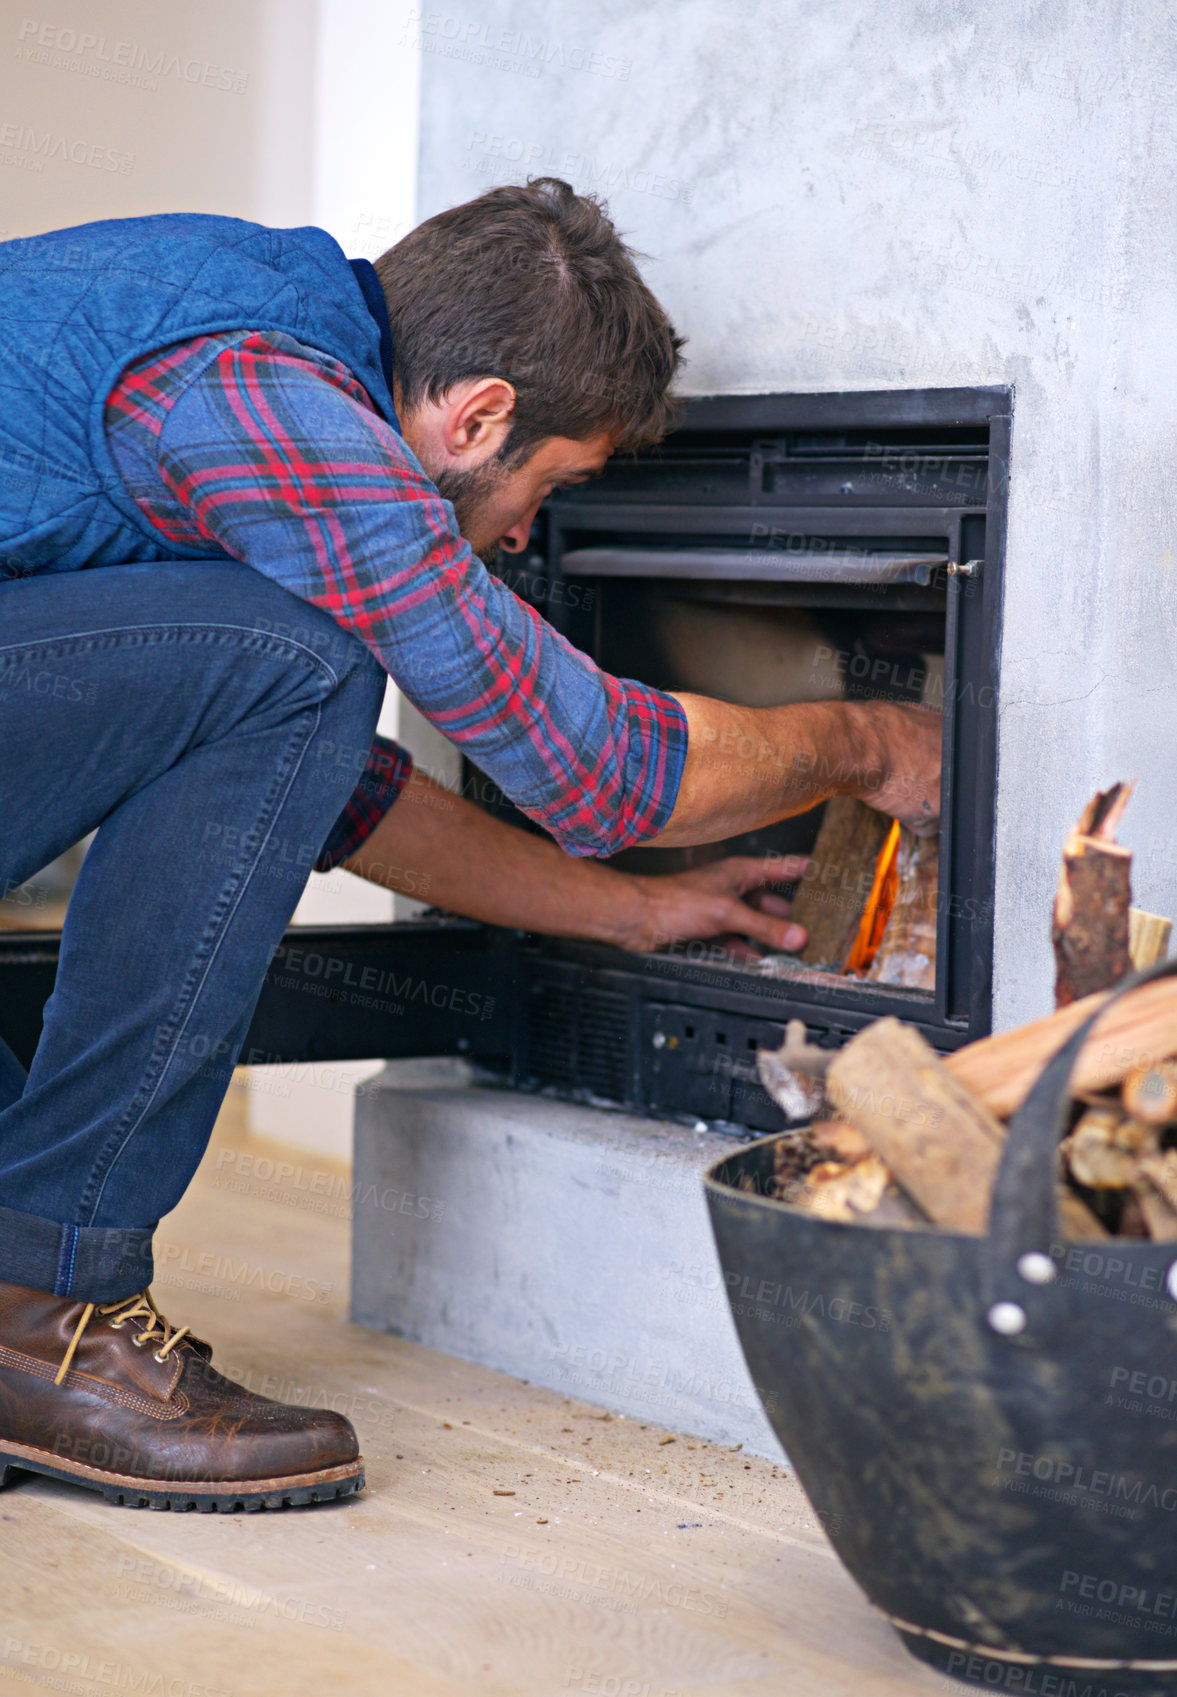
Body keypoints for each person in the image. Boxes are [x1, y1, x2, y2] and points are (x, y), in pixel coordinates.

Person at [0, 180, 939, 1511]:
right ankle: (47, 1307)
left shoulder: (245, 331)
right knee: (303, 659)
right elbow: (594, 768)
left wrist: (632, 915)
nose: (519, 538)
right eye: (550, 488)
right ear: (479, 413)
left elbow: (316, 788)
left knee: (284, 674)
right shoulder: (274, 400)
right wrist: (866, 742)